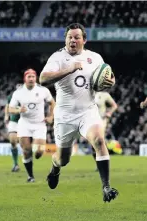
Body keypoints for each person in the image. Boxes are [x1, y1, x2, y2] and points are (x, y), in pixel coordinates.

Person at [39, 23, 118, 202]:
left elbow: (108, 77)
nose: (72, 40)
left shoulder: (95, 57)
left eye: (76, 37)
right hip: (65, 116)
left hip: (87, 111)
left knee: (99, 140)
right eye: (69, 37)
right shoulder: (58, 57)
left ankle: (106, 187)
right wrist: (70, 68)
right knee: (63, 159)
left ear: (84, 40)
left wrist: (110, 82)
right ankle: (55, 167)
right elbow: (43, 79)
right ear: (65, 39)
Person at [9, 69, 55, 182]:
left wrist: (51, 117)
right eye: (29, 76)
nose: (31, 79)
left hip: (39, 124)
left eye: (33, 76)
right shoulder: (18, 92)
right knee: (26, 150)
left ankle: (35, 157)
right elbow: (10, 108)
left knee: (39, 152)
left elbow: (52, 103)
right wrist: (19, 109)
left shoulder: (43, 90)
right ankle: (30, 176)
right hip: (24, 124)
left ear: (36, 78)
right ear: (25, 78)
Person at [91, 92, 118, 170]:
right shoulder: (88, 93)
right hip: (91, 121)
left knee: (99, 140)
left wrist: (109, 113)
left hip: (101, 120)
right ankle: (98, 163)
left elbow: (114, 105)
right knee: (93, 145)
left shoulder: (104, 95)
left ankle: (104, 163)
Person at [4, 84, 22, 172]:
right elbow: (7, 106)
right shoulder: (11, 97)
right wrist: (6, 116)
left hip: (25, 122)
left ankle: (27, 162)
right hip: (14, 121)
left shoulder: (29, 97)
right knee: (13, 141)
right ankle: (15, 164)